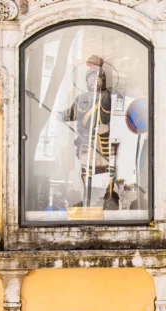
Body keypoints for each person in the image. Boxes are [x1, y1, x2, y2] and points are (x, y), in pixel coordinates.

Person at [61, 55, 117, 209]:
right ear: (87, 81)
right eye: (91, 78)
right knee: (86, 168)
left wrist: (108, 128)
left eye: (97, 78)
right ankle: (87, 197)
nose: (94, 81)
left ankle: (110, 194)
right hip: (86, 139)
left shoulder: (109, 97)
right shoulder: (81, 98)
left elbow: (119, 117)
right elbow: (71, 113)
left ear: (102, 80)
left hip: (105, 140)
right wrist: (59, 114)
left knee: (109, 166)